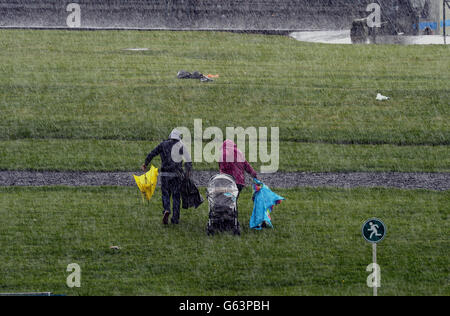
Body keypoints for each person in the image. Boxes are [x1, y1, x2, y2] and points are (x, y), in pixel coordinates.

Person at [141, 129, 192, 225]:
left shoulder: (163, 144)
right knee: (176, 197)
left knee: (165, 194)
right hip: (176, 175)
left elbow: (153, 153)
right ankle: (175, 219)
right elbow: (188, 160)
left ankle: (166, 209)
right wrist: (188, 171)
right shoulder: (181, 145)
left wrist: (145, 163)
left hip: (165, 175)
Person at [218, 139, 258, 204]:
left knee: (226, 201)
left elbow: (223, 167)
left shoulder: (224, 153)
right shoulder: (239, 153)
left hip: (229, 181)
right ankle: (233, 212)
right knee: (233, 201)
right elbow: (246, 165)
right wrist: (254, 174)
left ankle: (227, 213)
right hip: (239, 182)